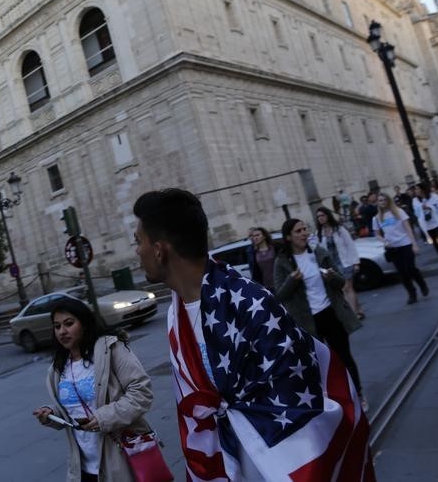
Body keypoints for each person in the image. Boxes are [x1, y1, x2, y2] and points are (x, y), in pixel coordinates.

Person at [132, 189, 374, 481]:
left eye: (138, 241)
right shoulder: (175, 314)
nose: (136, 251)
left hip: (274, 464)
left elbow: (299, 399)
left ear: (159, 250)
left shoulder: (252, 304)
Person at [32, 298, 154, 482]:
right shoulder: (57, 368)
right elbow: (72, 410)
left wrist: (102, 418)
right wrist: (51, 414)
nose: (62, 331)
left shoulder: (111, 349)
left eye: (69, 324)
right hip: (82, 468)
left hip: (121, 456)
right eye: (57, 326)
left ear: (85, 323)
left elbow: (141, 393)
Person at [273, 218, 366, 411]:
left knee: (344, 357)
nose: (304, 233)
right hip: (307, 321)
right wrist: (292, 280)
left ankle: (358, 394)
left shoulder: (319, 252)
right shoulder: (282, 262)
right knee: (317, 363)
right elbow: (280, 295)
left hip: (330, 314)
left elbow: (342, 282)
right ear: (289, 237)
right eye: (298, 231)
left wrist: (332, 276)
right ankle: (331, 402)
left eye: (305, 229)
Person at [373, 192, 428, 304]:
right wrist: (384, 241)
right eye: (380, 200)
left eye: (384, 200)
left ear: (388, 201)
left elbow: (408, 228)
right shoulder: (377, 218)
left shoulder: (398, 212)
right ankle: (411, 293)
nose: (382, 202)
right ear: (377, 203)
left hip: (405, 244)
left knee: (410, 268)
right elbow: (377, 234)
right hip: (392, 248)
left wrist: (414, 244)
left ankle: (422, 283)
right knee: (402, 273)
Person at [314, 206, 365, 319]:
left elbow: (350, 245)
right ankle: (359, 309)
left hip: (345, 262)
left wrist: (356, 262)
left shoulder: (339, 229)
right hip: (332, 266)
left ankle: (354, 313)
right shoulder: (319, 233)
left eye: (322, 215)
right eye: (318, 217)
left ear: (328, 215)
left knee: (347, 288)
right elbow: (318, 250)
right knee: (345, 289)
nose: (320, 218)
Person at [413, 182, 438, 274]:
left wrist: (430, 207)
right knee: (436, 246)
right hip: (427, 227)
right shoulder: (415, 200)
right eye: (415, 189)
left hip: (437, 225)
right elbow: (416, 213)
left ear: (422, 189)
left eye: (417, 189)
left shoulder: (433, 196)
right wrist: (421, 208)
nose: (416, 191)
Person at [246, 226, 278, 292]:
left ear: (264, 236)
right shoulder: (254, 253)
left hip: (280, 283)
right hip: (267, 287)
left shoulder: (275, 248)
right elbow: (255, 272)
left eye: (257, 235)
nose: (255, 238)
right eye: (253, 236)